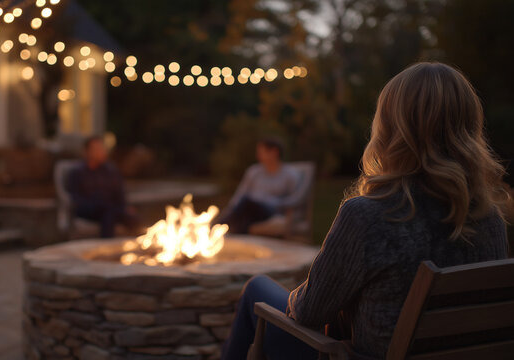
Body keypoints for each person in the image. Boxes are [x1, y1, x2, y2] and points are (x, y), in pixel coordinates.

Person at [221, 62, 511, 360]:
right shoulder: (490, 221)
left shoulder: (369, 216)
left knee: (257, 290)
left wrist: (307, 291)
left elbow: (308, 313)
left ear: (390, 128)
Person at [215, 138, 308, 234]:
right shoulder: (253, 171)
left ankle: (217, 225)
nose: (258, 156)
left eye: (261, 152)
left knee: (246, 202)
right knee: (244, 215)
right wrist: (230, 209)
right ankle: (229, 236)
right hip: (249, 209)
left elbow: (296, 198)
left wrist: (277, 203)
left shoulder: (290, 175)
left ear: (274, 152)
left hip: (271, 210)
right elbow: (240, 194)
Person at [66, 135, 140, 238]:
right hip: (88, 209)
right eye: (97, 149)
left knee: (131, 217)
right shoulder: (77, 172)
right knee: (108, 212)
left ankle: (138, 244)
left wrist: (125, 206)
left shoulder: (110, 170)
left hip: (111, 208)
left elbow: (119, 192)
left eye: (102, 148)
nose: (101, 151)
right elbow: (76, 198)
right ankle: (107, 244)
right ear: (87, 151)